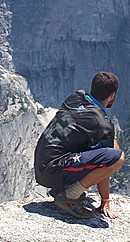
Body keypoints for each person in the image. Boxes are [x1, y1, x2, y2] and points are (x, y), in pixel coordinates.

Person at [34, 72, 125, 219]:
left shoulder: (76, 97)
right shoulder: (101, 124)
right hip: (52, 171)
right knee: (117, 157)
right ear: (113, 95)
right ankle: (69, 197)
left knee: (106, 145)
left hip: (42, 166)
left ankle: (61, 189)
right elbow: (106, 163)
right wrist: (105, 201)